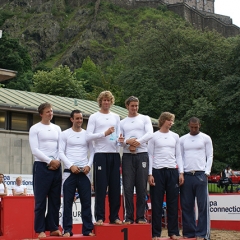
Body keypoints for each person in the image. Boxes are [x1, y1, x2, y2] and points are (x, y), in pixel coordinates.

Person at [86, 90, 122, 225]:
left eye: (108, 100)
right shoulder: (94, 117)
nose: (106, 102)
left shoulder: (116, 117)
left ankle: (115, 217)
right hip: (100, 154)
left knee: (115, 187)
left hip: (114, 154)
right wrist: (104, 133)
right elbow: (88, 136)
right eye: (104, 100)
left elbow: (118, 136)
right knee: (101, 187)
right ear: (100, 101)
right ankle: (100, 217)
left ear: (111, 102)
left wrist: (121, 141)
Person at [148, 112, 184, 240]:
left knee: (173, 202)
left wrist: (181, 172)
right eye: (169, 120)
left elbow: (178, 155)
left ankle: (173, 232)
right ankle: (156, 233)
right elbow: (150, 155)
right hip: (157, 171)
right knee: (157, 203)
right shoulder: (153, 136)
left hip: (172, 171)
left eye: (172, 120)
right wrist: (150, 173)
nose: (171, 122)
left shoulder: (175, 136)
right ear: (163, 120)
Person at [59, 110, 95, 237]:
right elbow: (61, 153)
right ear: (71, 119)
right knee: (68, 202)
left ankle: (88, 230)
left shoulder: (87, 135)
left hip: (84, 173)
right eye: (77, 118)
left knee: (86, 202)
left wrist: (88, 166)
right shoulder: (65, 134)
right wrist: (70, 165)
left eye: (81, 118)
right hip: (69, 173)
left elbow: (93, 152)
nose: (80, 121)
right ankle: (67, 230)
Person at [29, 102, 62, 238]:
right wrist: (49, 161)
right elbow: (34, 149)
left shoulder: (57, 128)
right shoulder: (35, 128)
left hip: (57, 166)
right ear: (41, 114)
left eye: (52, 111)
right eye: (47, 111)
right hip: (42, 166)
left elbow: (61, 147)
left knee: (55, 200)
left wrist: (57, 161)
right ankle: (40, 230)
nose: (50, 113)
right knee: (41, 201)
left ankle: (53, 227)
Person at [118, 96, 153, 224]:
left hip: (142, 154)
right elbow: (120, 142)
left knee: (141, 186)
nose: (134, 108)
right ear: (127, 106)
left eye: (136, 106)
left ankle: (140, 216)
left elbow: (150, 134)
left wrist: (137, 142)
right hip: (127, 156)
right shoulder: (122, 122)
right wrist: (127, 142)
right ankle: (128, 217)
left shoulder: (145, 118)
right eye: (132, 106)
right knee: (127, 187)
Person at [180, 117, 213, 240]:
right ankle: (189, 233)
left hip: (200, 174)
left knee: (202, 206)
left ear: (200, 125)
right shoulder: (182, 139)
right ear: (188, 125)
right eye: (192, 127)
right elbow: (180, 157)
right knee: (187, 205)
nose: (194, 129)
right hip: (187, 174)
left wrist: (207, 172)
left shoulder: (206, 138)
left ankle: (202, 233)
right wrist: (181, 172)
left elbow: (209, 155)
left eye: (196, 127)